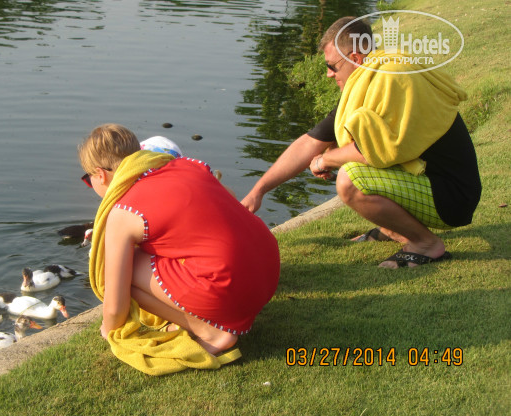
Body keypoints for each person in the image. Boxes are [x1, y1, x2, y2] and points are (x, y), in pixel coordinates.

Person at [240, 17, 481, 269]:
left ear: (355, 58)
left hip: (452, 199)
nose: (328, 73)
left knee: (350, 179)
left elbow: (375, 151)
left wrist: (326, 159)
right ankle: (394, 229)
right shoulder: (370, 82)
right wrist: (258, 191)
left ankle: (426, 245)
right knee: (350, 165)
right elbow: (309, 143)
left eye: (332, 66)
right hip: (434, 184)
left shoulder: (391, 81)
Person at [78, 123, 279, 371]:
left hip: (230, 289)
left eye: (88, 180)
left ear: (100, 174)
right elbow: (228, 196)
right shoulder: (187, 165)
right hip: (267, 274)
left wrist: (108, 328)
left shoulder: (123, 212)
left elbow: (115, 307)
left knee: (124, 269)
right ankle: (202, 319)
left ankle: (212, 332)